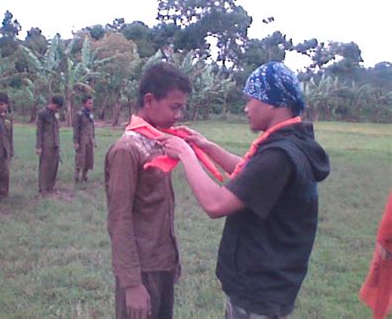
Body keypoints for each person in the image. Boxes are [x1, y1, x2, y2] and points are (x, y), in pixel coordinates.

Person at [160, 61, 330, 318]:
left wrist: (185, 153)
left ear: (272, 102)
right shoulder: (293, 144)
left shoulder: (279, 155)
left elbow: (216, 204)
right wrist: (206, 146)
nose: (246, 108)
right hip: (270, 283)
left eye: (251, 100)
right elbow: (252, 176)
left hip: (260, 291)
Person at [104, 62, 192, 319]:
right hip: (142, 269)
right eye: (174, 107)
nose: (178, 115)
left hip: (162, 262)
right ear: (150, 100)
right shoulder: (127, 150)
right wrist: (132, 284)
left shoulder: (156, 142)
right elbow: (119, 219)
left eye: (181, 108)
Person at [35, 95, 63, 195]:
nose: (57, 109)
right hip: (46, 144)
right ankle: (43, 189)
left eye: (58, 108)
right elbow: (39, 131)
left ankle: (50, 187)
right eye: (56, 106)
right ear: (51, 103)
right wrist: (38, 146)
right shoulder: (42, 114)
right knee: (45, 167)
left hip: (55, 144)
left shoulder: (56, 114)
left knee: (53, 167)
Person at [73, 95, 96, 183]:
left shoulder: (90, 115)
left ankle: (84, 176)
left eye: (92, 103)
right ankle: (76, 176)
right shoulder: (79, 114)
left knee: (89, 159)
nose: (91, 105)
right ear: (84, 104)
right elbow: (76, 129)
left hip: (89, 139)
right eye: (89, 103)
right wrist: (75, 141)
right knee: (80, 158)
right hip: (81, 139)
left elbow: (92, 127)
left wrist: (93, 138)